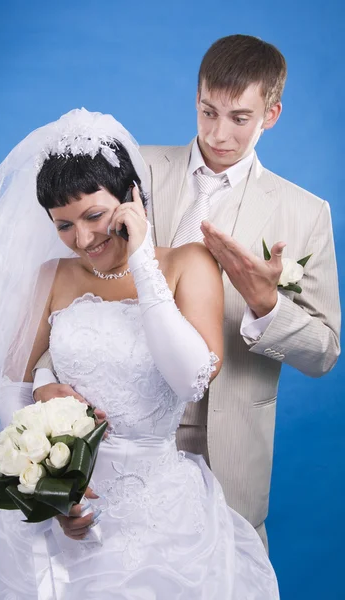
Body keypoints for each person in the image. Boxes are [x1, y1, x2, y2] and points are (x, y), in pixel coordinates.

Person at [0, 109, 279, 598]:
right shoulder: (52, 278)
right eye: (63, 225)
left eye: (94, 216)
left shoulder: (188, 264)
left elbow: (191, 379)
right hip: (72, 504)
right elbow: (6, 390)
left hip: (162, 509)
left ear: (131, 199)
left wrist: (143, 260)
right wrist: (52, 490)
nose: (82, 239)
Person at [33, 35, 341, 549]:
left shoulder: (306, 213)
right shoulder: (129, 170)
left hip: (230, 446)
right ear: (195, 99)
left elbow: (326, 352)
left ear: (272, 114)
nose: (219, 133)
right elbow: (70, 300)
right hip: (111, 442)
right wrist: (44, 378)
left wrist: (268, 306)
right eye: (207, 112)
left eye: (239, 118)